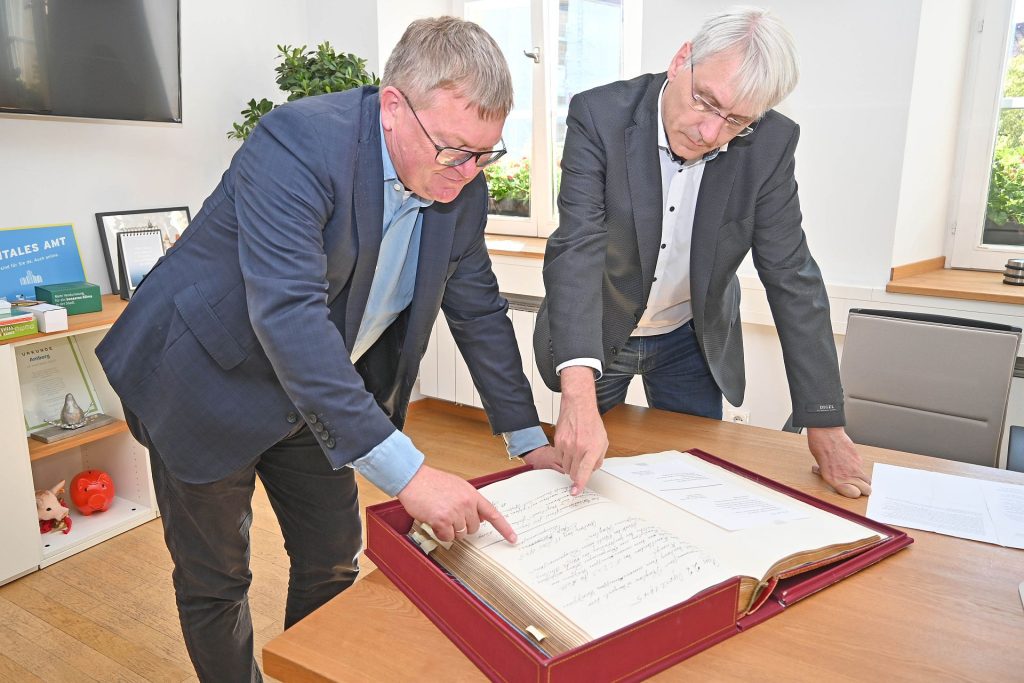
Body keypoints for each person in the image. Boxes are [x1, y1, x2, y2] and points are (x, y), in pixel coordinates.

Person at [97, 17, 556, 681]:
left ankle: (310, 670)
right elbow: (290, 314)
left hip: (316, 390)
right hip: (202, 378)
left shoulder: (462, 182)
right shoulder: (298, 142)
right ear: (394, 106)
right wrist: (413, 475)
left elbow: (478, 308)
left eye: (486, 153)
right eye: (455, 150)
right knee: (217, 577)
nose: (469, 173)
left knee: (333, 552)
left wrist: (525, 435)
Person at [534, 7, 871, 500]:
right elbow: (578, 249)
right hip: (600, 331)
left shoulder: (770, 145)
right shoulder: (600, 115)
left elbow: (790, 273)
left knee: (694, 486)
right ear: (681, 60)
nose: (710, 133)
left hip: (689, 341)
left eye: (736, 121)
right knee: (579, 478)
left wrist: (825, 420)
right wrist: (577, 390)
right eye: (705, 102)